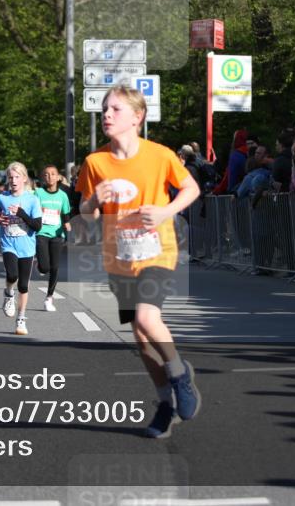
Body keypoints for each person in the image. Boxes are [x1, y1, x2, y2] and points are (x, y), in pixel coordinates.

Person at [76, 84, 201, 439]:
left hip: (158, 250)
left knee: (148, 317)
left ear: (137, 116)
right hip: (119, 257)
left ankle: (179, 375)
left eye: (115, 109)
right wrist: (91, 201)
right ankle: (165, 403)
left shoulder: (160, 155)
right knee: (140, 337)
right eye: (104, 109)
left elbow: (191, 188)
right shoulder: (95, 162)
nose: (107, 115)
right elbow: (86, 215)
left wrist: (166, 210)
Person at [0, 162, 44, 335]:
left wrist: (22, 213)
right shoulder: (2, 198)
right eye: (10, 177)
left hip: (27, 247)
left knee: (23, 285)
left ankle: (21, 319)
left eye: (17, 177)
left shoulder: (32, 199)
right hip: (8, 243)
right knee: (12, 275)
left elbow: (37, 226)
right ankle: (8, 293)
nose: (13, 180)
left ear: (24, 178)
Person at [34, 164, 72, 313]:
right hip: (41, 233)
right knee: (45, 268)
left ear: (58, 177)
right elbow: (33, 211)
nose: (49, 177)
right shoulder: (38, 193)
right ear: (43, 177)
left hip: (57, 234)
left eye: (52, 174)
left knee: (55, 267)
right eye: (46, 174)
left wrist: (67, 223)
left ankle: (49, 298)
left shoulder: (62, 195)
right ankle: (40, 264)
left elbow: (65, 213)